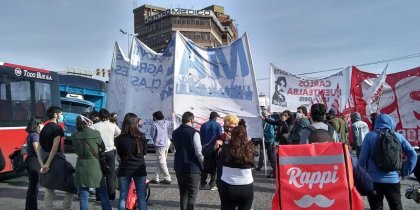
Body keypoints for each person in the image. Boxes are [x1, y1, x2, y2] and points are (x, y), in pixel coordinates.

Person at [359, 114, 417, 210]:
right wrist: (405, 172)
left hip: (374, 181)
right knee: (396, 207)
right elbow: (413, 155)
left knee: (376, 207)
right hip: (393, 180)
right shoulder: (398, 137)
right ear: (391, 123)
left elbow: (361, 160)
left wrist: (363, 178)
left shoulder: (369, 137)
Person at [308, 129, 374, 196]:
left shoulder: (300, 161)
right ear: (332, 143)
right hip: (342, 203)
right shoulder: (345, 158)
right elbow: (367, 186)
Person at [39, 106, 76, 210]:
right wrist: (48, 163)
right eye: (60, 113)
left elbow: (39, 148)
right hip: (56, 160)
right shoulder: (57, 128)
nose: (61, 115)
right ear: (55, 115)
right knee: (71, 186)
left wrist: (43, 163)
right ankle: (65, 207)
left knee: (49, 188)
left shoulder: (44, 128)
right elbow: (55, 148)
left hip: (45, 159)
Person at [72, 115, 111, 210]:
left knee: (83, 195)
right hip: (95, 164)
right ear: (88, 122)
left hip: (81, 164)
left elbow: (76, 150)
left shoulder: (74, 136)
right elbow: (103, 148)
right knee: (103, 193)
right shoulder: (95, 133)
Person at [217, 123, 258, 210]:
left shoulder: (226, 147)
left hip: (228, 185)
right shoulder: (250, 148)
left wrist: (228, 141)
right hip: (246, 187)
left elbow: (220, 158)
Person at [115, 113, 148, 210]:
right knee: (141, 197)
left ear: (124, 123)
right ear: (136, 123)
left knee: (123, 197)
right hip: (139, 168)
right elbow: (144, 152)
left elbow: (120, 155)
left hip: (125, 169)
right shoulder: (141, 136)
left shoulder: (119, 139)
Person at [172, 111, 204, 210]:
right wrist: (203, 164)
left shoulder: (175, 132)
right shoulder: (194, 133)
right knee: (192, 196)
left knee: (183, 194)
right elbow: (199, 152)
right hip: (193, 168)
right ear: (192, 120)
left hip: (179, 166)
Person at [91, 108, 121, 200]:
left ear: (99, 116)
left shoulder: (94, 126)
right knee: (110, 174)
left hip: (98, 152)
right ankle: (111, 195)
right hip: (110, 151)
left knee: (99, 174)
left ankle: (99, 196)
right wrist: (113, 136)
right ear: (108, 116)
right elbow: (119, 133)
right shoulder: (112, 125)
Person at [24, 116, 45, 210]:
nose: (43, 124)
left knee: (32, 187)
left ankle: (29, 207)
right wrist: (43, 164)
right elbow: (38, 151)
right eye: (41, 123)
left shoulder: (32, 134)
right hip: (34, 162)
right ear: (37, 124)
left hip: (32, 161)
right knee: (33, 188)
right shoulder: (34, 136)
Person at [199, 111, 222, 190]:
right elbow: (220, 138)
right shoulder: (218, 126)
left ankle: (202, 184)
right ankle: (212, 184)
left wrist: (203, 146)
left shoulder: (203, 125)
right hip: (215, 148)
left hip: (205, 148)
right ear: (215, 118)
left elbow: (201, 137)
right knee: (214, 165)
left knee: (205, 165)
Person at [150, 111, 172, 184]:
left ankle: (167, 178)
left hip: (159, 145)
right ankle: (156, 178)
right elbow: (171, 122)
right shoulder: (165, 123)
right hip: (166, 144)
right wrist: (173, 114)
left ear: (155, 117)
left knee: (162, 162)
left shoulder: (154, 124)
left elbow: (152, 135)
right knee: (160, 162)